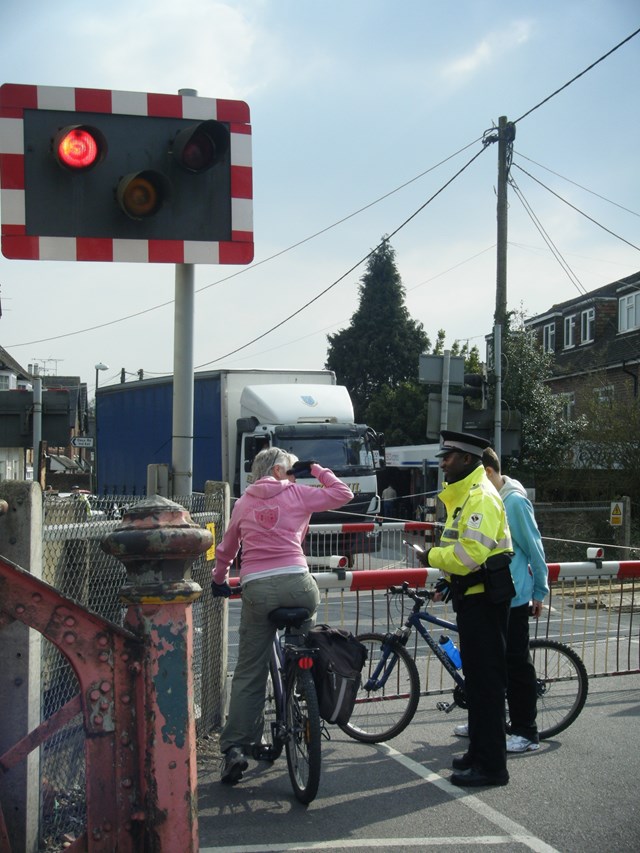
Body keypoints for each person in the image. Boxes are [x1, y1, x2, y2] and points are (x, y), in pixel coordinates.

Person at [210, 447, 354, 785]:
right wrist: (317, 468)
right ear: (277, 470)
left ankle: (236, 747)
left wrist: (219, 580)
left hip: (257, 587)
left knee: (249, 668)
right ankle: (300, 686)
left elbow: (227, 548)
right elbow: (343, 494)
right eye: (292, 470)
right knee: (301, 643)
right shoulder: (298, 494)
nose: (295, 476)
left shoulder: (243, 503)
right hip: (298, 584)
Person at [419, 430, 514, 787]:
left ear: (468, 460)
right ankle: (479, 752)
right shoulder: (466, 497)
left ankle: (492, 767)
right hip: (472, 598)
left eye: (449, 456)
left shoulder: (481, 498)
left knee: (487, 686)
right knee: (477, 683)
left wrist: (429, 556)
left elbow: (469, 556)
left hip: (484, 602)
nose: (443, 462)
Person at [481, 446, 549, 752]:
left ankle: (526, 731)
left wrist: (540, 592)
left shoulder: (515, 502)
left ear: (490, 473)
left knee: (516, 665)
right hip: (495, 592)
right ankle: (487, 722)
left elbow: (535, 548)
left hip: (516, 595)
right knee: (491, 663)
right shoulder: (492, 497)